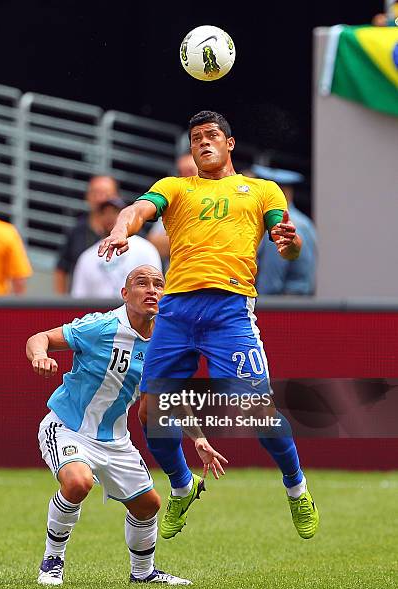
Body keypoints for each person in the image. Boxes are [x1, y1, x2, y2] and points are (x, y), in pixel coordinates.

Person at [99, 110, 319, 540]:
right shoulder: (176, 188)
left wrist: (290, 244)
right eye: (196, 137)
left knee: (255, 411)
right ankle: (183, 485)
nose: (203, 142)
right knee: (151, 412)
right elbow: (138, 209)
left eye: (212, 135)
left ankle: (296, 487)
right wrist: (122, 229)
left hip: (229, 310)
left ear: (230, 144)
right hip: (177, 311)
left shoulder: (261, 190)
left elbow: (285, 244)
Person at [27, 265, 191, 586]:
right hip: (68, 427)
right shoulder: (102, 326)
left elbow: (149, 405)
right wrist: (39, 357)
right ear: (125, 294)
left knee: (148, 505)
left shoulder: (165, 342)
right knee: (78, 483)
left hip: (115, 438)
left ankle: (143, 574)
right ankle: (52, 561)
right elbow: (40, 338)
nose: (151, 290)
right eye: (141, 284)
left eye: (159, 285)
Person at [71, 198, 162, 299]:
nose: (109, 217)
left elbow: (158, 289)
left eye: (115, 212)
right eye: (104, 213)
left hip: (137, 313)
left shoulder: (145, 249)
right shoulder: (87, 258)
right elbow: (78, 297)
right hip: (99, 313)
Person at [250, 165, 317, 296]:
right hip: (303, 302)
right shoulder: (305, 222)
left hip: (282, 307)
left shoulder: (279, 224)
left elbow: (271, 283)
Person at [55, 175, 120, 294]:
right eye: (95, 193)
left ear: (115, 197)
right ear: (87, 197)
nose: (100, 199)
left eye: (105, 193)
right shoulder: (75, 231)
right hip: (82, 303)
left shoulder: (129, 232)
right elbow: (61, 268)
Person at [147, 153, 198, 269]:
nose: (184, 177)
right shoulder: (173, 206)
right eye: (181, 173)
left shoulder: (217, 199)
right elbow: (153, 244)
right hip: (177, 280)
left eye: (190, 171)